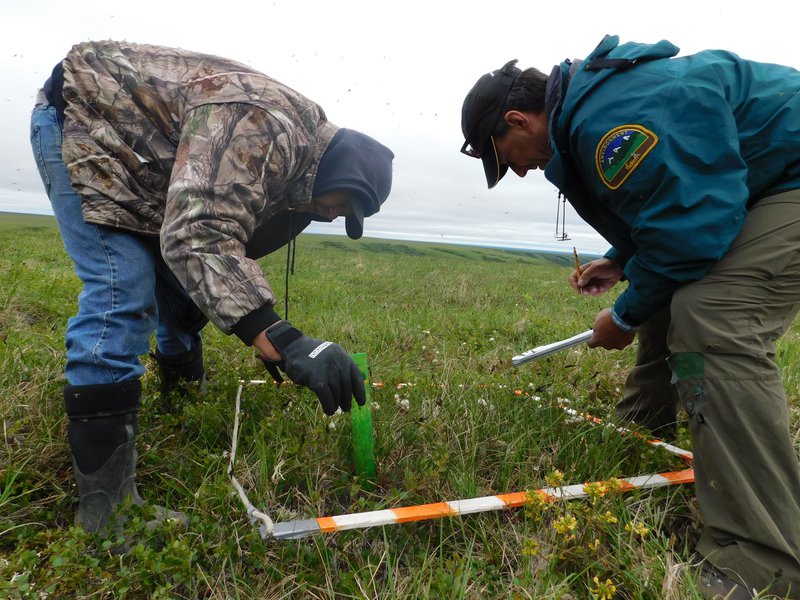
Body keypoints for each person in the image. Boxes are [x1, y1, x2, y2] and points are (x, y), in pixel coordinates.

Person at [460, 35, 800, 598]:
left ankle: (763, 565)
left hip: (790, 180)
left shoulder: (612, 123)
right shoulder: (595, 108)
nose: (516, 173)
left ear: (518, 121)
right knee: (670, 293)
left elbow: (692, 234)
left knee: (711, 313)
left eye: (505, 159)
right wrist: (622, 262)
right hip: (768, 182)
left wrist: (621, 318)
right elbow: (686, 195)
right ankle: (645, 430)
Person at [30, 40, 394, 546]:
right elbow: (197, 233)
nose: (333, 216)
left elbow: (215, 251)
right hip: (88, 124)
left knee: (173, 286)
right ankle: (106, 514)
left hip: (145, 159)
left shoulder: (294, 159)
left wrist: (264, 331)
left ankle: (181, 394)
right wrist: (282, 337)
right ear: (343, 176)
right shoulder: (267, 129)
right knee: (123, 288)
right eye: (342, 207)